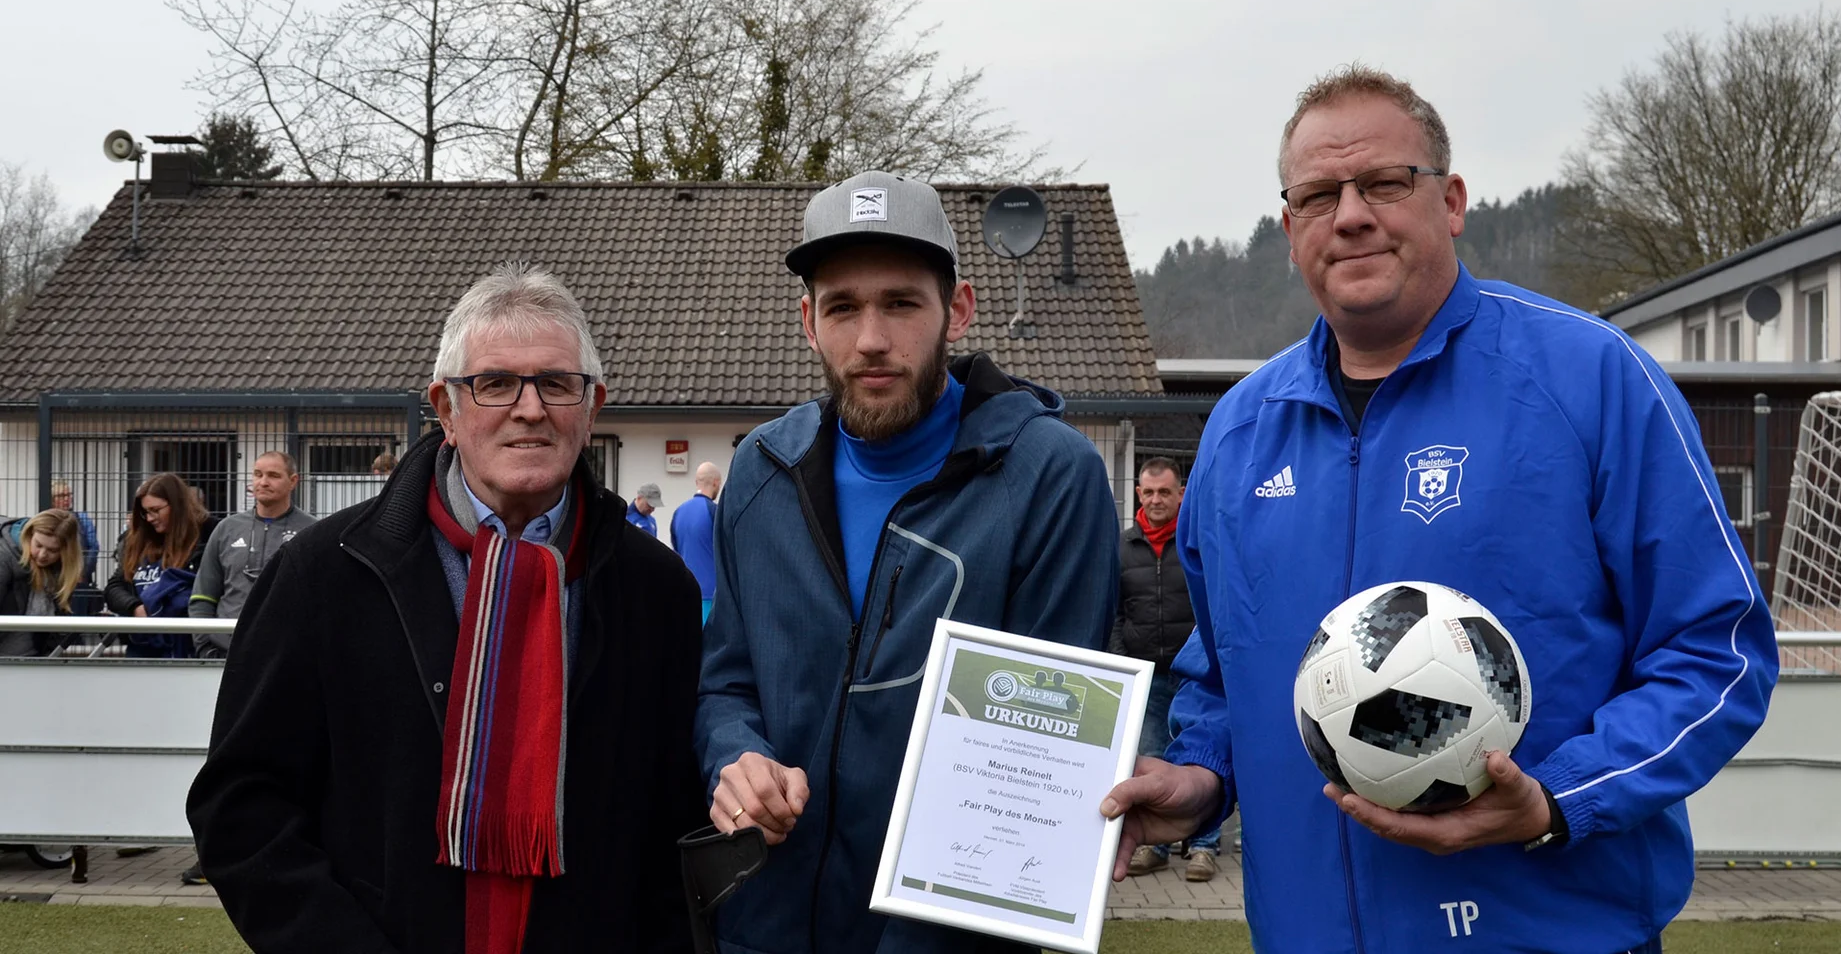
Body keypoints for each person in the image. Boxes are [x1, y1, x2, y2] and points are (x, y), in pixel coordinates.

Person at [1100, 66, 1778, 954]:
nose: (1350, 214)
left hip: (1550, 932)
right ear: (1288, 227)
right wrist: (1200, 772)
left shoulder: (1593, 380)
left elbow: (1718, 652)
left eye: (1384, 183)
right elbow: (1227, 679)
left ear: (1451, 201)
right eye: (1317, 195)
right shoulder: (1237, 434)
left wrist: (1558, 799)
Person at [186, 263, 708, 954]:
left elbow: (675, 821)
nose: (529, 408)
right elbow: (242, 808)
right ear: (446, 409)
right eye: (494, 383)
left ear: (592, 407)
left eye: (556, 383)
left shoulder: (655, 590)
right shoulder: (323, 575)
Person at [695, 170, 1120, 954]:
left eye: (901, 302)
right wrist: (737, 756)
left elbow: (1043, 756)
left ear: (957, 310)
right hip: (768, 927)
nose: (871, 339)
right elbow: (726, 679)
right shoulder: (760, 471)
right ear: (807, 322)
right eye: (843, 307)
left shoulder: (1049, 477)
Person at [1113, 457, 1220, 882]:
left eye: (1165, 492)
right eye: (1148, 492)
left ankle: (1203, 849)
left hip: (1194, 674)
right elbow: (1115, 611)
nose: (1156, 500)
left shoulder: (1196, 545)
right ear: (1139, 494)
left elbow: (1214, 606)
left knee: (1204, 757)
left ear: (1180, 494)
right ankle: (1154, 846)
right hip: (1147, 676)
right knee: (1153, 757)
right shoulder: (1122, 547)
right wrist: (1127, 658)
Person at [188, 451, 320, 657]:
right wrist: (205, 646)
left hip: (287, 657)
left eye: (273, 476)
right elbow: (203, 596)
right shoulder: (226, 529)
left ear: (293, 481)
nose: (263, 482)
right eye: (258, 474)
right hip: (226, 653)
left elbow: (324, 600)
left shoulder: (313, 531)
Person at [105, 473, 214, 658]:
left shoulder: (208, 535)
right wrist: (134, 607)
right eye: (145, 512)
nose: (149, 518)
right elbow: (114, 587)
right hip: (142, 646)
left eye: (156, 510)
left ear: (176, 505)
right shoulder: (138, 540)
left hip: (187, 646)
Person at [0, 509, 84, 656]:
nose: (43, 554)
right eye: (38, 545)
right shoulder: (3, 558)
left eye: (53, 550)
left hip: (33, 655)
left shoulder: (61, 571)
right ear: (29, 535)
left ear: (65, 552)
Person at [670, 463, 721, 620]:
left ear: (696, 482)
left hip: (684, 591)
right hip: (710, 595)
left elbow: (676, 549)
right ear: (716, 482)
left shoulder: (678, 512)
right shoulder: (715, 511)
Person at [49, 480, 100, 584]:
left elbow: (93, 547)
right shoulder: (47, 520)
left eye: (69, 495)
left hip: (79, 577)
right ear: (52, 500)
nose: (67, 499)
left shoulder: (82, 519)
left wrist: (83, 572)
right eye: (62, 495)